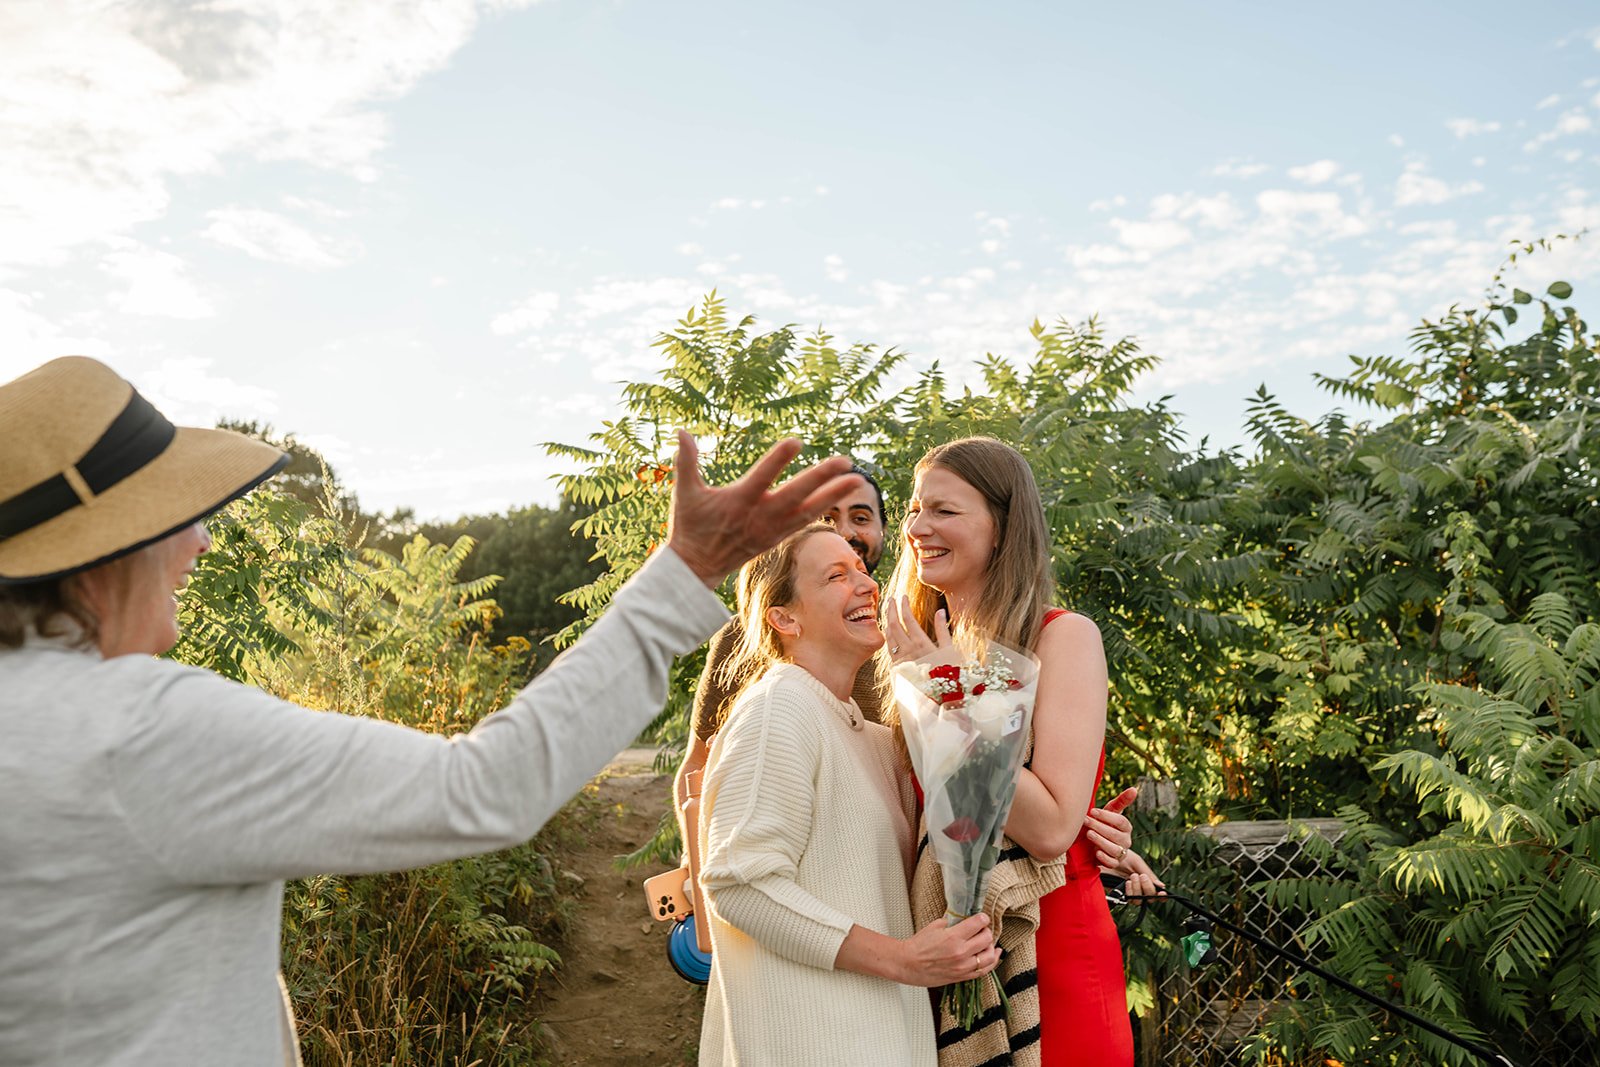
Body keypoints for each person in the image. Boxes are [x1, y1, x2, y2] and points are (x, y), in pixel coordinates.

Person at [0, 356, 862, 1067]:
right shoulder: (140, 730)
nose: (201, 540)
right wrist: (681, 571)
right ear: (100, 556)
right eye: (178, 517)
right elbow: (480, 788)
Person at [695, 524, 1000, 1066]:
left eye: (862, 570)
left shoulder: (875, 738)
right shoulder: (779, 709)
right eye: (836, 576)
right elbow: (738, 882)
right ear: (784, 617)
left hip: (882, 1037)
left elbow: (968, 822)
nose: (865, 584)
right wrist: (904, 960)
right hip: (808, 1043)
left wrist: (1085, 834)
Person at [884, 436, 1136, 1067]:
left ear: (1002, 529)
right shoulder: (912, 654)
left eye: (944, 510)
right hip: (949, 951)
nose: (919, 526)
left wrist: (950, 695)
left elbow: (1051, 827)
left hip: (1052, 945)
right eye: (915, 510)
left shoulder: (1063, 639)